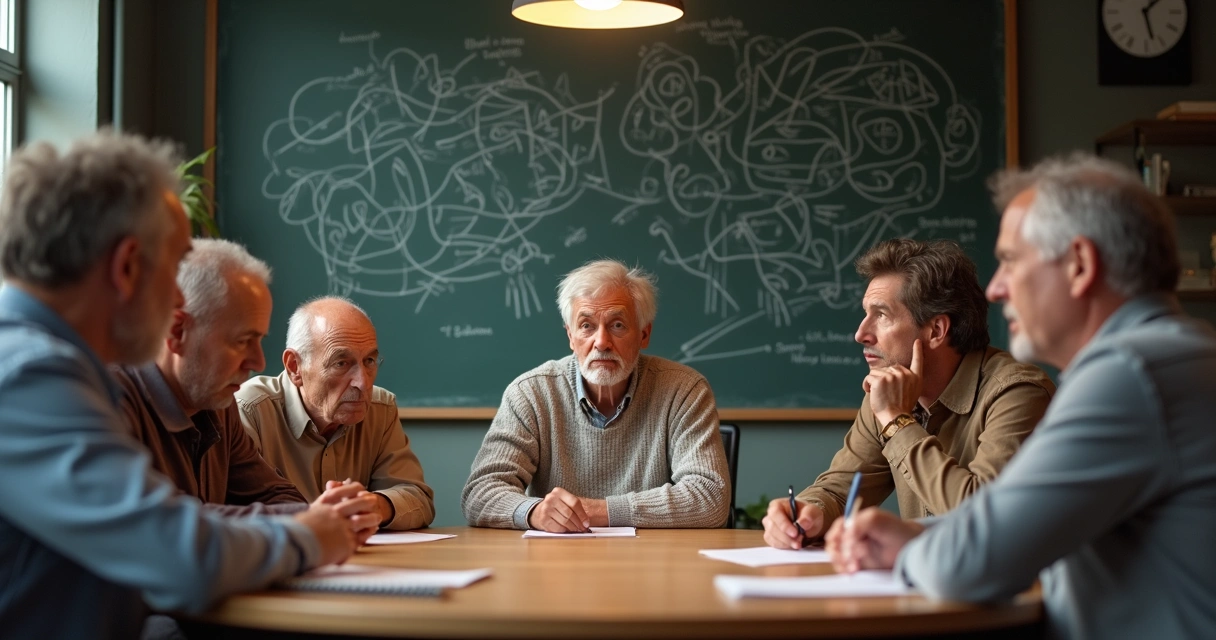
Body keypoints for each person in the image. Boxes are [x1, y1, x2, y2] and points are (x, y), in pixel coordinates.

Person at [825, 154, 1216, 640]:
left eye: (1011, 261)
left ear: (1079, 264)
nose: (996, 288)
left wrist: (907, 547)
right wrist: (916, 534)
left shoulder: (1127, 375)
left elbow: (973, 561)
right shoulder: (1175, 356)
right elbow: (1016, 526)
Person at [0, 131, 370, 639]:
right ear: (127, 266)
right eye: (175, 266)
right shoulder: (29, 375)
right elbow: (180, 556)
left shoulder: (47, 366)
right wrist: (310, 537)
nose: (179, 297)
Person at [762, 239, 1054, 549]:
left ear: (936, 330)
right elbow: (838, 490)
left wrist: (897, 420)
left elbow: (981, 518)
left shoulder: (1018, 392)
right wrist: (809, 514)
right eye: (865, 314)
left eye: (882, 315)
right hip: (927, 583)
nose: (860, 333)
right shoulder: (888, 391)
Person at [113, 238, 380, 533]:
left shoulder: (217, 404)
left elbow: (274, 495)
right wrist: (311, 525)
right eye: (242, 341)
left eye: (259, 341)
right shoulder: (108, 398)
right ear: (178, 331)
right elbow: (163, 522)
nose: (258, 361)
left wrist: (325, 517)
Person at [461, 259, 730, 531]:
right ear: (570, 336)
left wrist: (595, 511)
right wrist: (534, 511)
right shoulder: (531, 393)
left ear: (644, 334)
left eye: (617, 325)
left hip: (653, 564)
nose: (601, 342)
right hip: (557, 566)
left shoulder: (684, 390)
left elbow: (710, 497)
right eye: (587, 325)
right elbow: (480, 494)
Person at [237, 297, 435, 531]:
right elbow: (234, 514)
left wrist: (375, 506)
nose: (362, 383)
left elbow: (419, 500)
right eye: (341, 363)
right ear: (294, 367)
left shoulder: (380, 408)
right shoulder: (248, 409)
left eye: (369, 361)